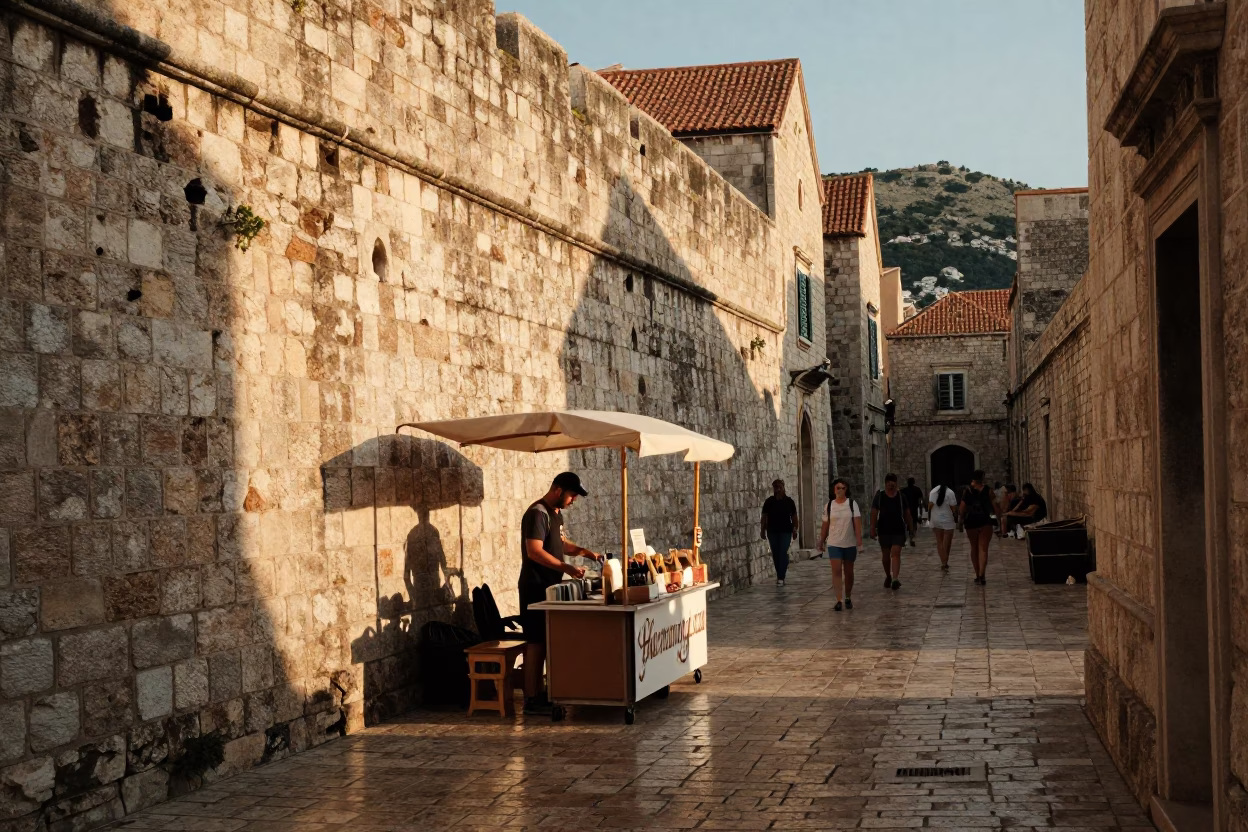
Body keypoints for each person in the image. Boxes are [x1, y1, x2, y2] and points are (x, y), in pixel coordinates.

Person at [518, 472, 602, 714]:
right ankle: (531, 700)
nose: (573, 500)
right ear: (558, 490)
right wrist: (565, 567)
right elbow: (534, 551)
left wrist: (587, 553)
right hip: (534, 587)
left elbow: (561, 544)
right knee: (535, 643)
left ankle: (541, 693)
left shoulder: (556, 515)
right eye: (572, 495)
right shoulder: (537, 513)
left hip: (550, 588)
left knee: (545, 641)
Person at [818, 478, 862, 611]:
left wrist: (859, 542)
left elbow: (857, 524)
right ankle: (838, 599)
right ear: (834, 490)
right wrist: (821, 541)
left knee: (848, 572)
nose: (841, 490)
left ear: (846, 490)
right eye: (838, 488)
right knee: (836, 571)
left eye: (843, 488)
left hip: (849, 543)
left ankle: (848, 596)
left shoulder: (852, 504)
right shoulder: (829, 506)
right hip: (834, 543)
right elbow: (825, 525)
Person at [870, 473, 912, 590]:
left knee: (896, 553)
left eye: (892, 482)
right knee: (885, 556)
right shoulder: (879, 497)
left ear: (896, 483)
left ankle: (895, 578)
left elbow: (907, 513)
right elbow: (874, 512)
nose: (890, 484)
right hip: (884, 529)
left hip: (898, 529)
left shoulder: (901, 497)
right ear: (885, 484)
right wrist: (872, 528)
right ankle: (888, 576)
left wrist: (911, 527)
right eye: (888, 482)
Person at [958, 469, 999, 585]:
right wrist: (999, 521)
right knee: (983, 549)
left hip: (971, 522)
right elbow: (995, 506)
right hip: (985, 521)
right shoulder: (989, 491)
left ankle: (977, 574)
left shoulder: (967, 491)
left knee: (974, 548)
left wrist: (960, 520)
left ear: (973, 480)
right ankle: (982, 574)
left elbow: (962, 508)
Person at [761, 480, 799, 586]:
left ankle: (781, 577)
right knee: (776, 553)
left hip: (786, 531)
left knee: (782, 552)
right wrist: (762, 530)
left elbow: (794, 517)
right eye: (775, 487)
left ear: (783, 487)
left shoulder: (789, 502)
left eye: (779, 487)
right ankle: (780, 574)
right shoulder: (769, 502)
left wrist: (795, 529)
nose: (777, 489)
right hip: (772, 531)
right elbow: (764, 517)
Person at [926, 481, 959, 570]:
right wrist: (957, 519)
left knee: (939, 542)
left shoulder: (933, 491)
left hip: (936, 519)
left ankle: (943, 562)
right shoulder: (950, 492)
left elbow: (930, 506)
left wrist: (929, 517)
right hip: (948, 520)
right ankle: (945, 561)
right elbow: (953, 508)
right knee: (947, 543)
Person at [901, 477, 925, 545]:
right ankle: (911, 538)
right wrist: (920, 512)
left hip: (905, 510)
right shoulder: (917, 490)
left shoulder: (903, 490)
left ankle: (905, 538)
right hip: (914, 510)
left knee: (905, 524)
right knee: (913, 524)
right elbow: (920, 501)